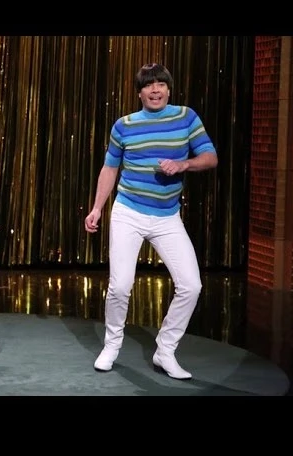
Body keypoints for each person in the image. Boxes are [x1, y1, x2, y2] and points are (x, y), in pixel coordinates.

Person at [84, 63, 218, 380]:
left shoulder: (186, 117)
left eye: (160, 84)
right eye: (148, 85)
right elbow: (110, 168)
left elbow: (210, 157)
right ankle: (112, 345)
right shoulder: (124, 125)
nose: (155, 89)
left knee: (191, 286)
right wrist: (97, 208)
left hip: (167, 217)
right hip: (128, 212)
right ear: (140, 93)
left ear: (168, 90)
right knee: (120, 286)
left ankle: (165, 351)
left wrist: (183, 165)